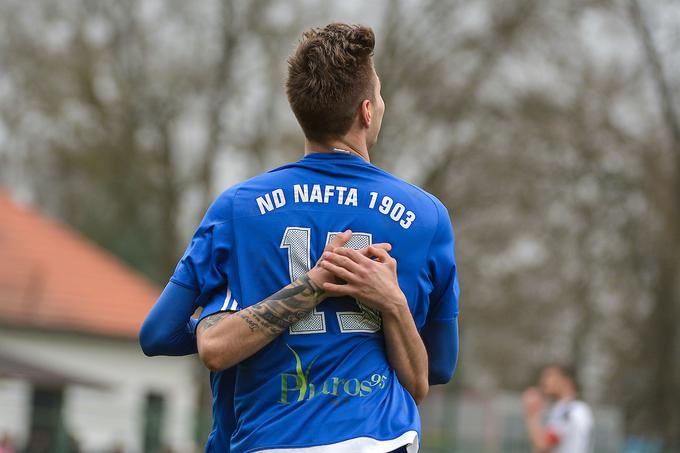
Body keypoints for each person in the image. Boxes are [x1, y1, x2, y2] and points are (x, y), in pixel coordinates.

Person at [141, 22, 460, 453]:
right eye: (380, 95)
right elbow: (438, 366)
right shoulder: (427, 216)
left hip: (270, 439)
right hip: (382, 441)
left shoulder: (238, 207)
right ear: (367, 111)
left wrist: (221, 320)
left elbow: (159, 333)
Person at [523, 365, 594, 453]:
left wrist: (532, 415)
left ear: (567, 381)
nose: (544, 381)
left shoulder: (568, 410)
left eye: (550, 376)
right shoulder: (574, 409)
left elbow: (544, 445)